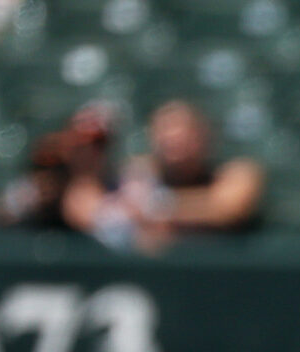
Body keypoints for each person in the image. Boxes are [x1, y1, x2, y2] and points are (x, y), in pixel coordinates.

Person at [111, 100, 263, 249]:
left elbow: (228, 208)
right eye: (165, 129)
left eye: (182, 130)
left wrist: (153, 206)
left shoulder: (236, 172)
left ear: (203, 134)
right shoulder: (139, 173)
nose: (173, 137)